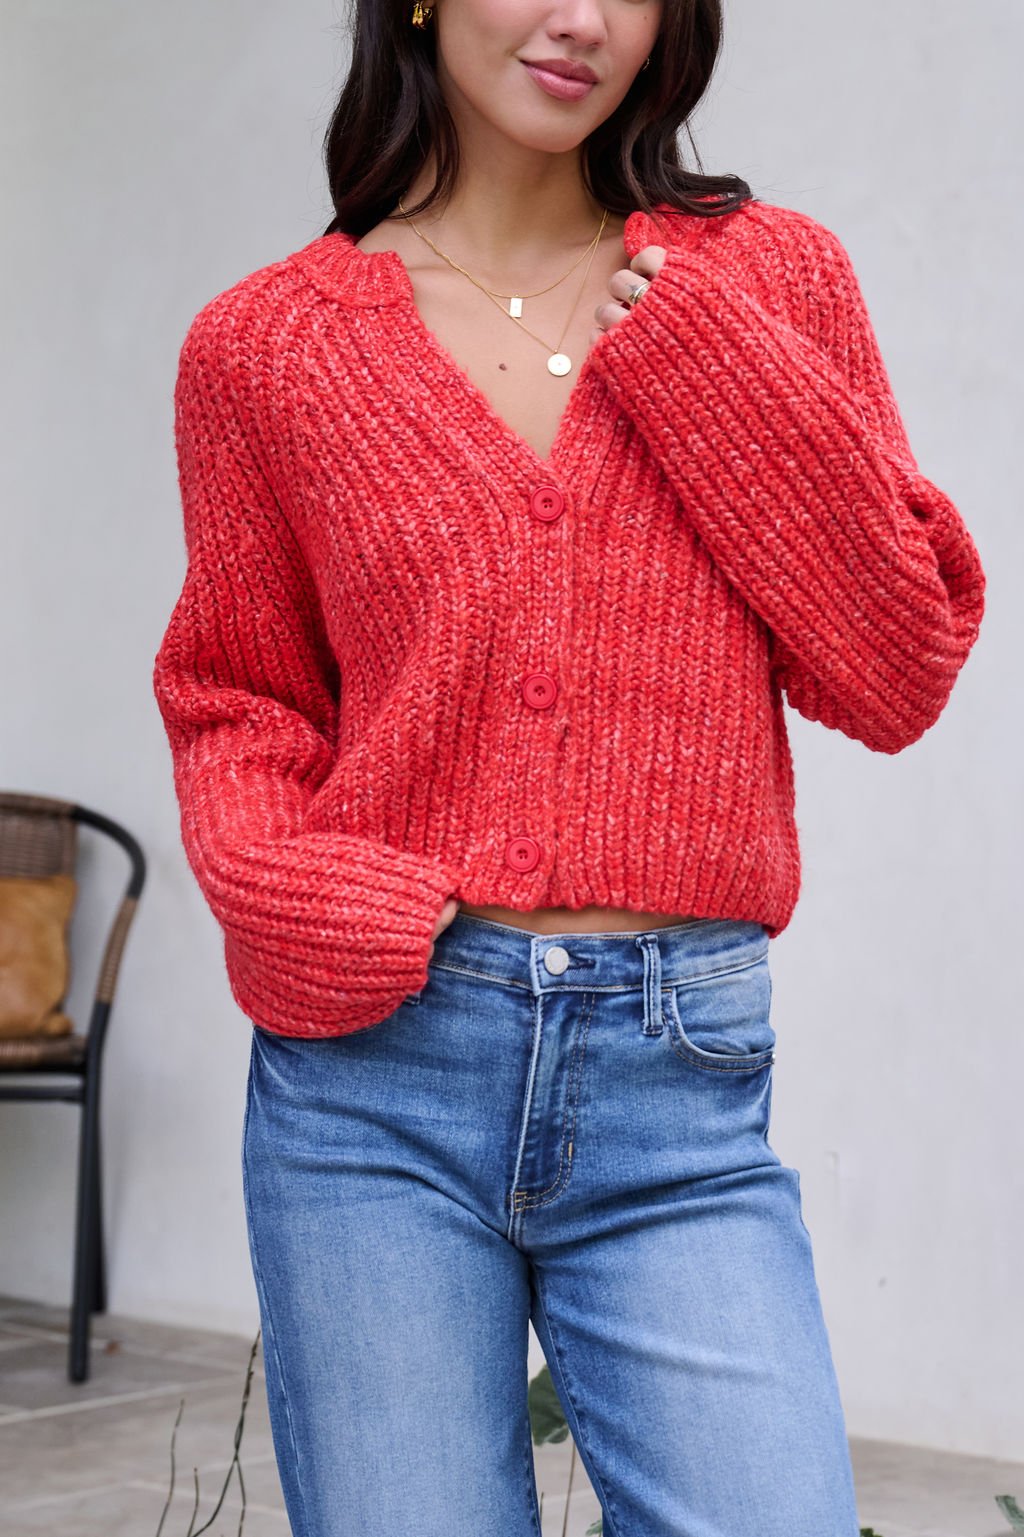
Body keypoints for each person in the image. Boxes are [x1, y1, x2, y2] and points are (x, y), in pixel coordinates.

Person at [151, 0, 986, 1529]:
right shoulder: (262, 349)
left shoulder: (766, 281)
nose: (582, 19)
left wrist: (711, 364)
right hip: (377, 1088)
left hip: (678, 1086)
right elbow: (239, 698)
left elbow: (895, 663)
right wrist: (302, 895)